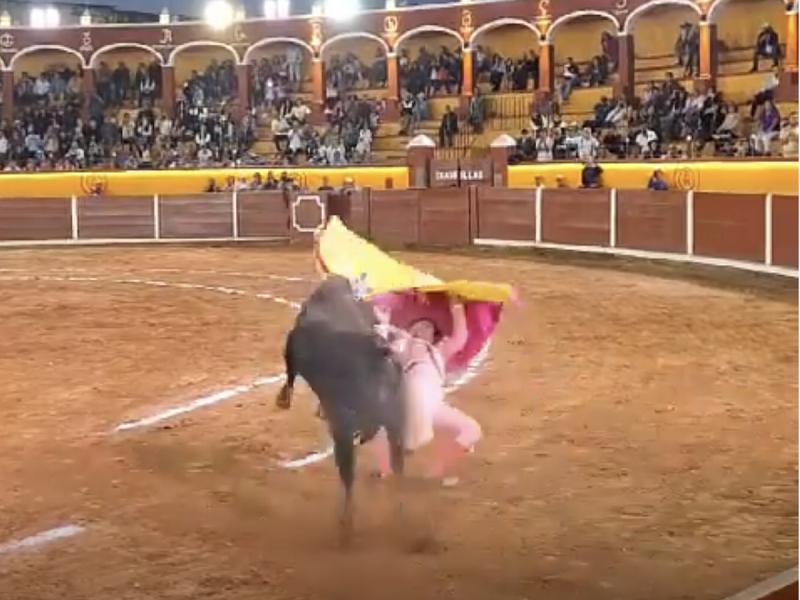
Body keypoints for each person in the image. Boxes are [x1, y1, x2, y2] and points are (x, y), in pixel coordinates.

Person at [373, 294, 482, 487]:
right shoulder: (402, 344)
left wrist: (455, 305)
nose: (424, 328)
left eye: (429, 327)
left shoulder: (439, 350)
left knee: (472, 430)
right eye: (419, 325)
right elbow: (382, 338)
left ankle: (436, 470)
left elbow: (460, 336)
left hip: (432, 405)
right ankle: (386, 468)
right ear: (410, 329)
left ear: (435, 336)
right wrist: (383, 320)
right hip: (410, 402)